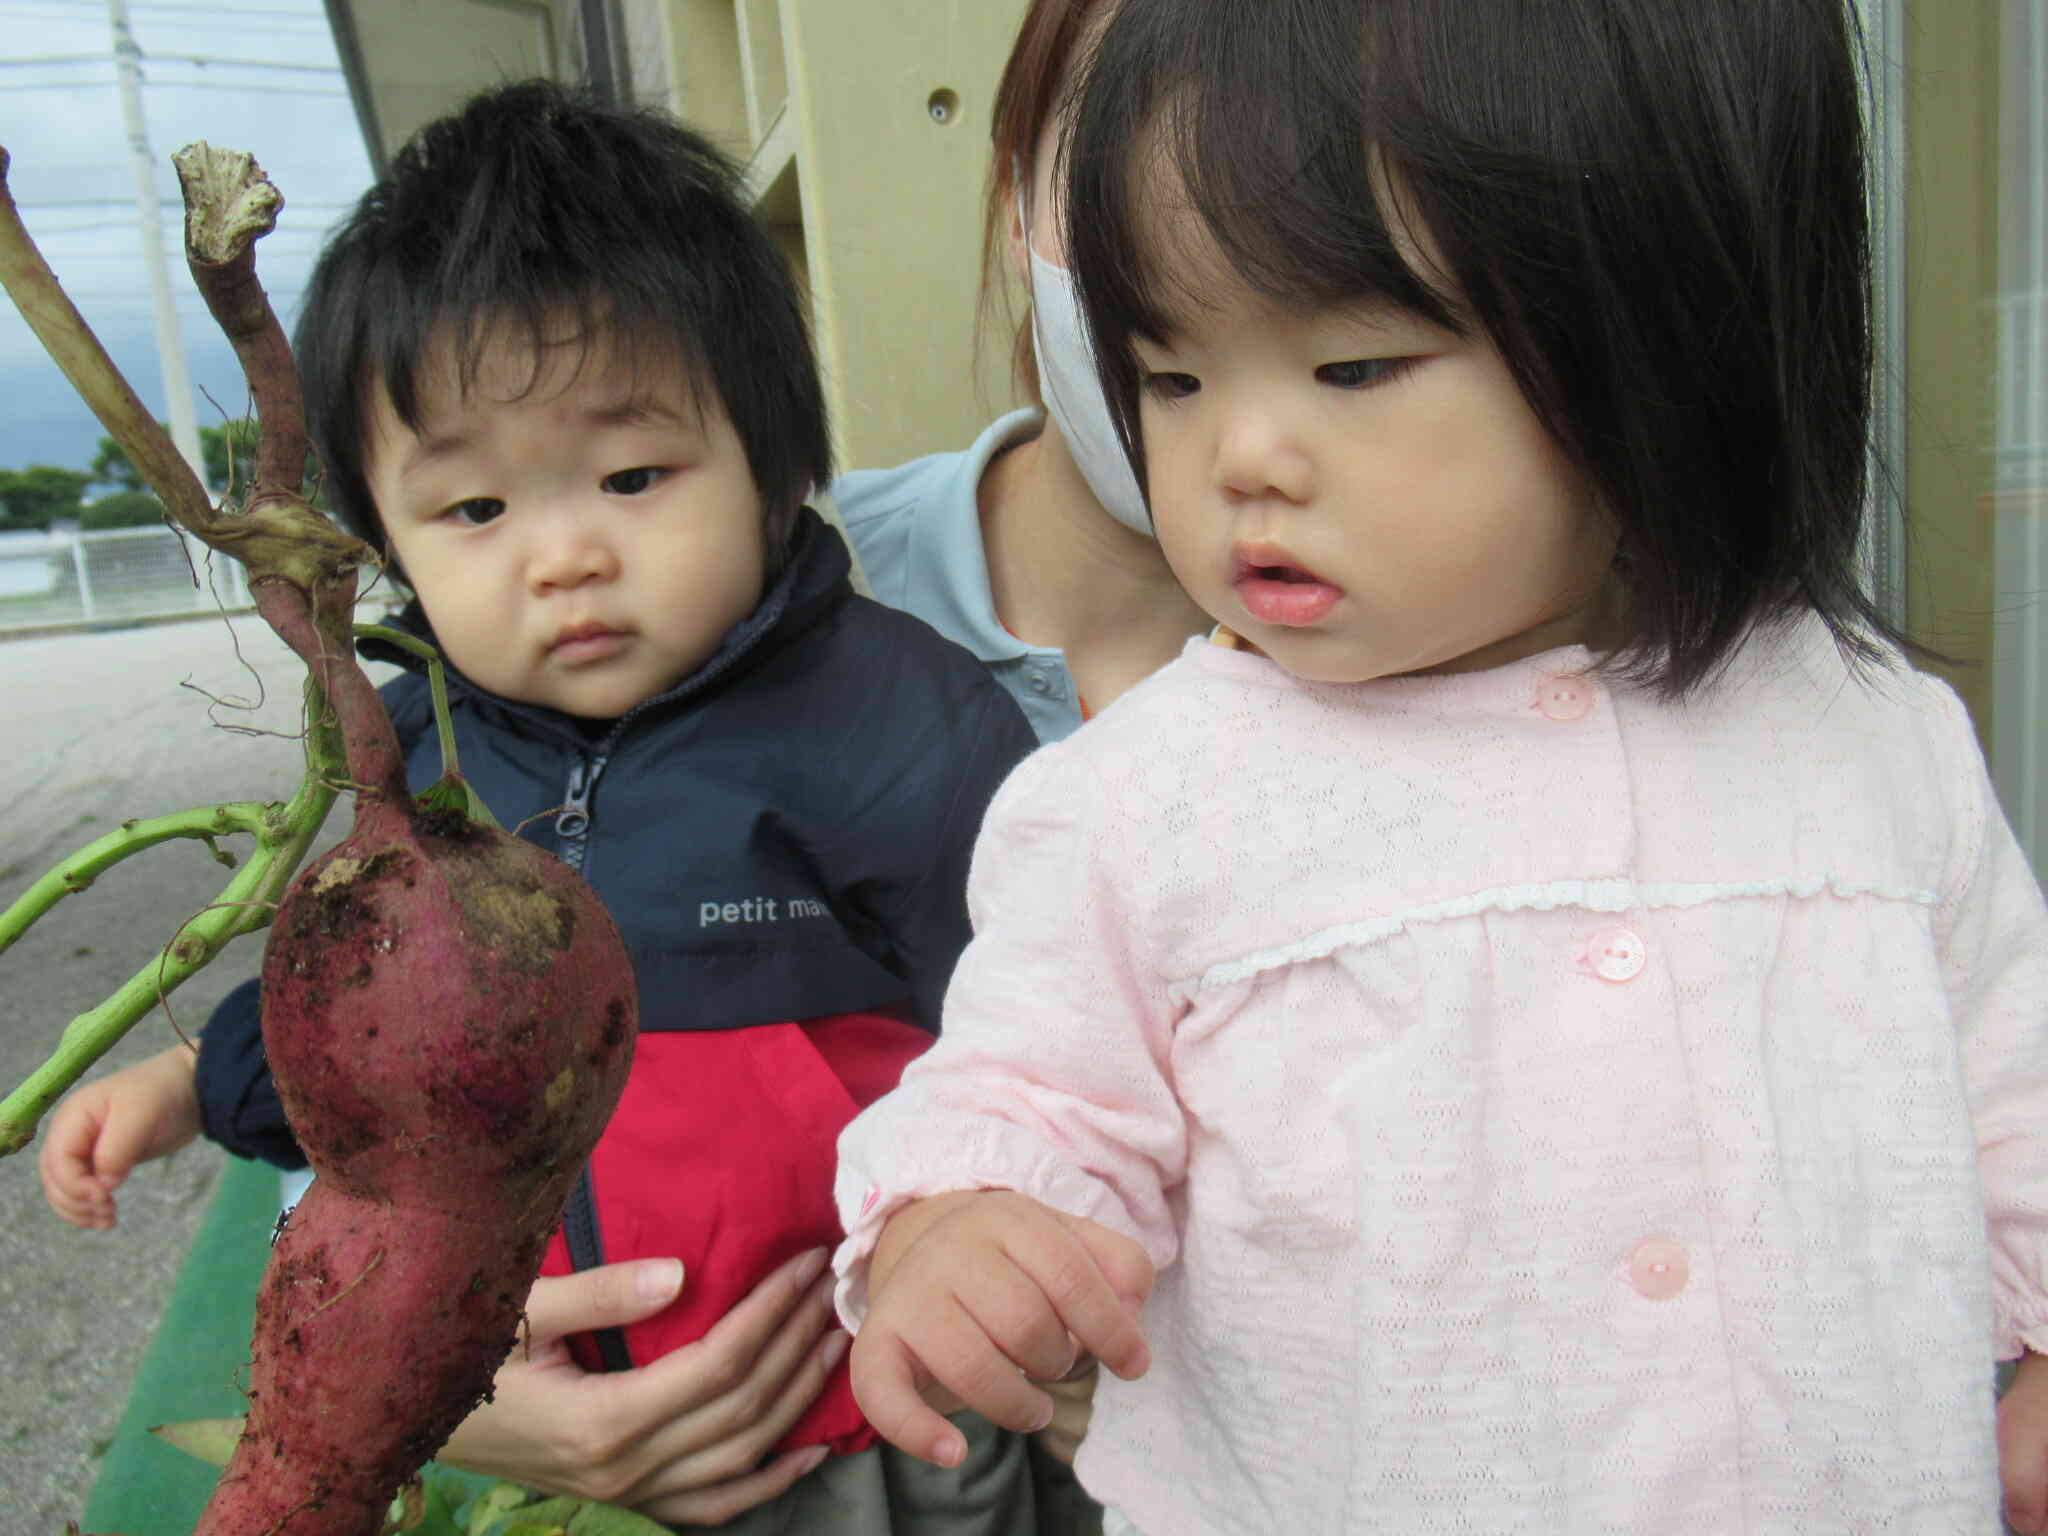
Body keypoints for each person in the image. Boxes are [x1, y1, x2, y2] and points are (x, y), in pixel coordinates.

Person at [831, 0, 2048, 1532]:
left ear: (1670, 343)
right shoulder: (1145, 803)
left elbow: (2017, 1082)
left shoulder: (1865, 736)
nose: (1241, 458)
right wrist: (968, 1226)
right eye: (1176, 375)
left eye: (1354, 366)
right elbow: (1025, 1088)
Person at [40, 79, 1045, 1531]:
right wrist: (190, 1086)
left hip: (855, 1406)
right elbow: (367, 1035)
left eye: (632, 475)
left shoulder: (895, 722)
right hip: (569, 1402)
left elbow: (1046, 1020)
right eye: (475, 513)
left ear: (776, 467)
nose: (563, 556)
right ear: (382, 537)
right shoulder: (409, 760)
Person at [833, 0, 1210, 744]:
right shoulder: (803, 575)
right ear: (1016, 203)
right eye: (1114, 183)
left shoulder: (1466, 649)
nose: (1214, 264)